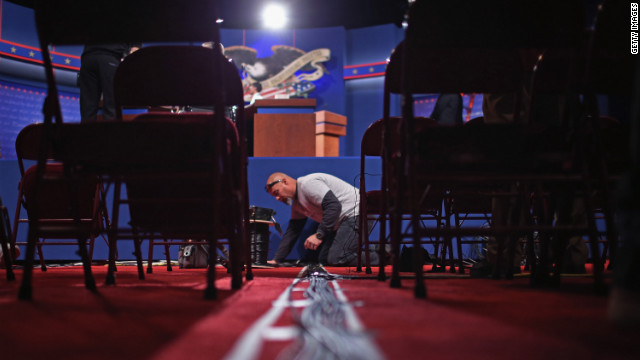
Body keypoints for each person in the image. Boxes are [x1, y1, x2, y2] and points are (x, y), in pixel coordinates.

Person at [265, 172, 378, 266]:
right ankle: (375, 251)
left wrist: (319, 235)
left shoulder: (308, 184)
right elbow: (293, 232)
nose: (277, 198)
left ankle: (383, 256)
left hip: (358, 213)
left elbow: (334, 206)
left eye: (276, 192)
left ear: (284, 182)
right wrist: (277, 259)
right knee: (324, 259)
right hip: (343, 221)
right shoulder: (297, 205)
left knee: (336, 258)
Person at [78, 43, 140, 122]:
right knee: (111, 108)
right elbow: (135, 49)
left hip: (88, 57)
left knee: (87, 109)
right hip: (110, 57)